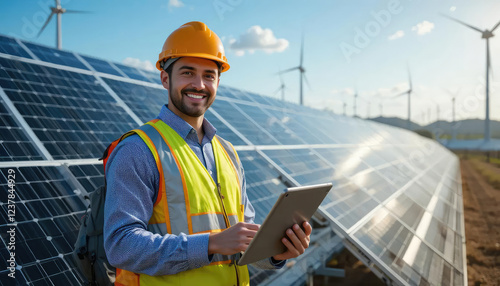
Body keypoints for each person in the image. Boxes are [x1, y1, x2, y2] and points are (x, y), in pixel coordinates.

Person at [103, 21, 312, 286]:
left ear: (218, 82)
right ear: (165, 78)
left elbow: (241, 245)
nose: (199, 84)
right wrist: (211, 244)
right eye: (188, 73)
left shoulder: (228, 153)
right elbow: (120, 246)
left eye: (209, 75)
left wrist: (277, 253)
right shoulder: (139, 149)